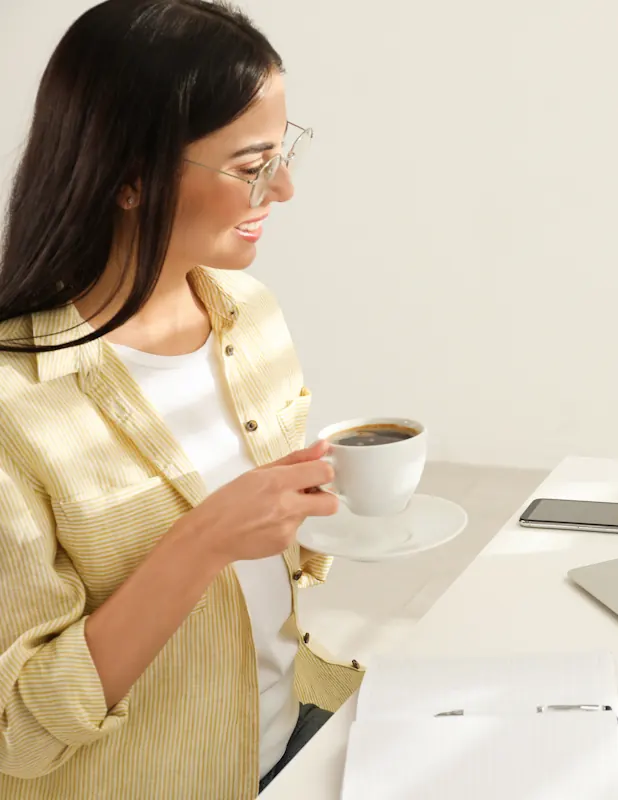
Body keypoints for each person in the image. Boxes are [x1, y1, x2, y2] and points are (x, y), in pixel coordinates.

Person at [0, 1, 362, 796]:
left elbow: (277, 575)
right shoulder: (14, 408)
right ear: (130, 178)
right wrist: (201, 541)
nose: (284, 187)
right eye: (252, 164)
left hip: (294, 741)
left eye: (283, 152)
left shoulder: (249, 315)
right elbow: (16, 730)